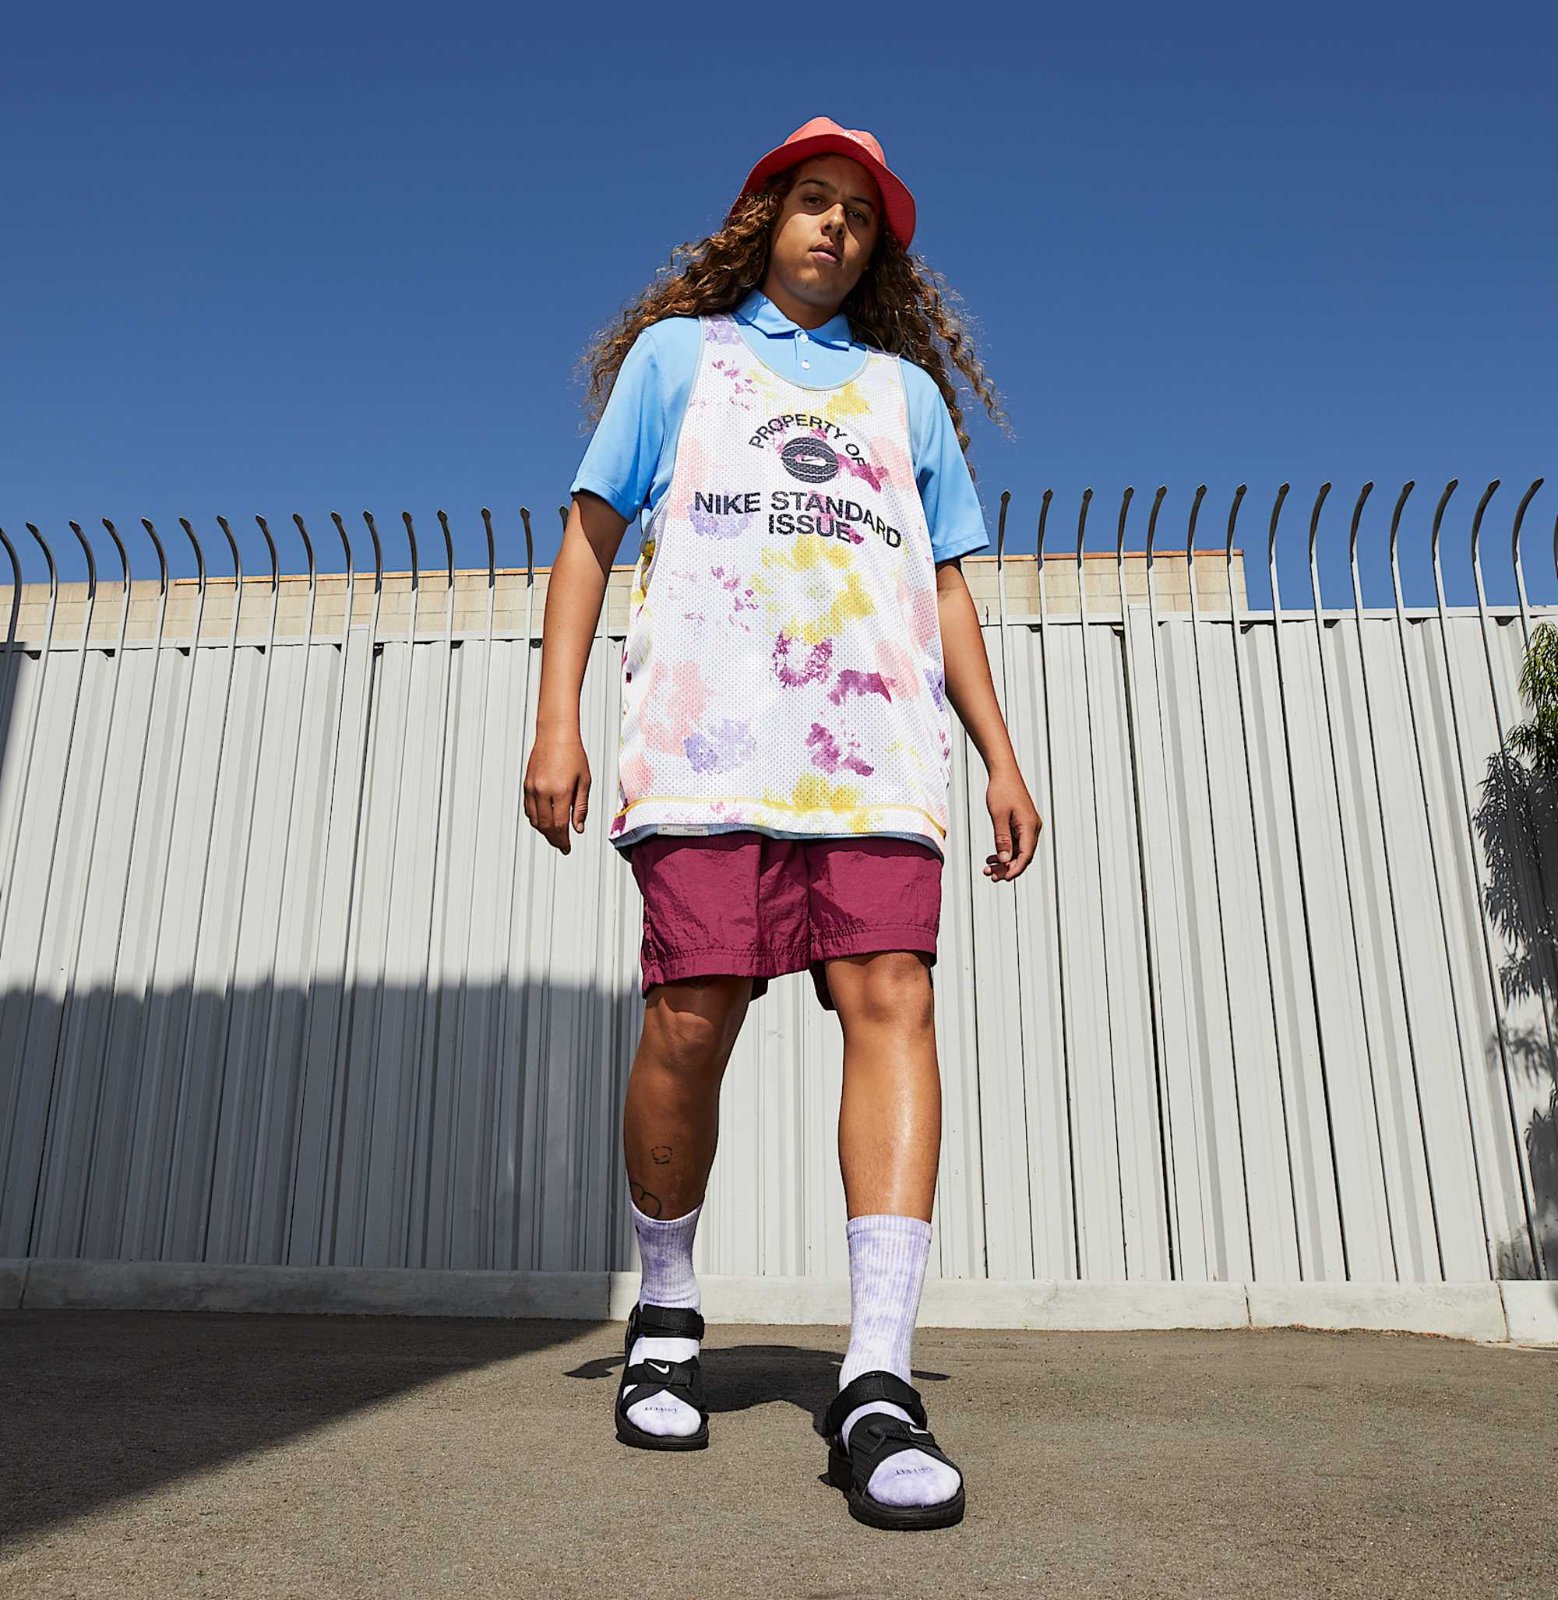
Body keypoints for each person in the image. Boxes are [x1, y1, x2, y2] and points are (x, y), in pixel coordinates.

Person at [523, 115, 1041, 1532]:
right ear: (766, 216)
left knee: (895, 1003)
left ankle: (877, 1375)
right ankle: (666, 1311)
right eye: (814, 200)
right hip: (708, 748)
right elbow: (590, 534)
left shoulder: (903, 397)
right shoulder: (678, 361)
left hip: (873, 761)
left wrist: (999, 757)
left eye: (859, 215)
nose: (835, 226)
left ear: (878, 252)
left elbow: (945, 588)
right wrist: (559, 719)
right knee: (690, 1022)